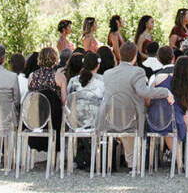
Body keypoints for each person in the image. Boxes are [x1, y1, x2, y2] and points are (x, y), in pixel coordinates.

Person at [102, 40, 174, 168]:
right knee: (145, 113)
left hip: (111, 118)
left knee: (125, 113)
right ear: (135, 57)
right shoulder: (138, 72)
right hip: (132, 120)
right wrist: (165, 91)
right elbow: (144, 92)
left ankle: (131, 160)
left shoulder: (107, 74)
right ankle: (136, 160)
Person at [66, 52, 104, 170]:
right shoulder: (102, 81)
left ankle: (77, 157)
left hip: (75, 121)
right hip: (94, 122)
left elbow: (68, 99)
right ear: (97, 66)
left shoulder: (73, 81)